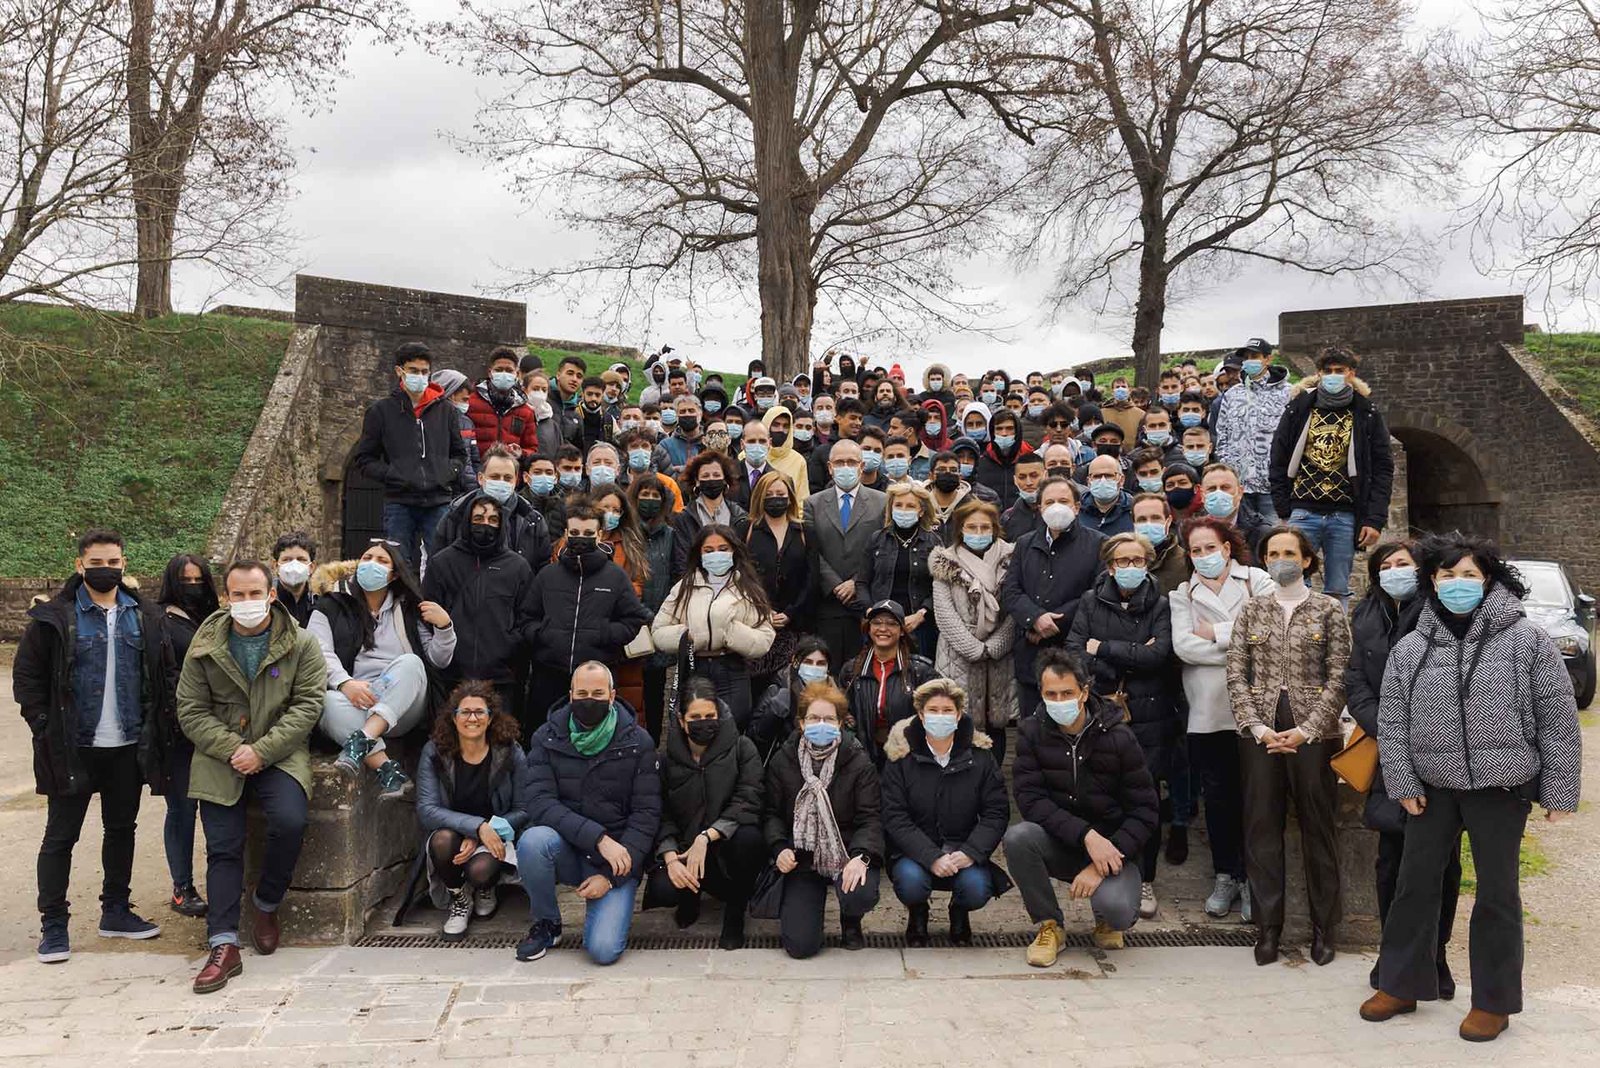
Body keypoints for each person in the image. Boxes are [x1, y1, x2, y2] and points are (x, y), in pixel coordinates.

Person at [1362, 533, 1581, 1042]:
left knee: (1497, 893)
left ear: (1489, 580)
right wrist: (1401, 779)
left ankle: (1494, 1001)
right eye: (1445, 575)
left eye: (1468, 575)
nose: (1456, 584)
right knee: (1414, 885)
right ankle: (1400, 983)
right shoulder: (1413, 646)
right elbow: (1393, 720)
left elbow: (1557, 716)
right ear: (1431, 583)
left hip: (1499, 788)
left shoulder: (1526, 639)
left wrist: (1559, 789)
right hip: (1431, 789)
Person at [18, 530, 169, 964]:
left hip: (126, 744)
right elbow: (28, 678)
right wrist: (43, 725)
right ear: (80, 565)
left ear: (125, 564)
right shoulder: (56, 618)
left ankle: (116, 911)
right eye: (97, 562)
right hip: (72, 745)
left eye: (114, 562)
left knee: (122, 830)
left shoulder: (144, 615)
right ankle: (53, 925)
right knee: (60, 836)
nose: (107, 569)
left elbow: (160, 673)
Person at [176, 560, 325, 993]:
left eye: (254, 593)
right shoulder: (203, 645)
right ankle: (223, 946)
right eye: (237, 595)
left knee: (291, 821)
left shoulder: (301, 643)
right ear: (225, 598)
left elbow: (307, 706)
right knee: (223, 847)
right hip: (220, 754)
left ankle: (266, 902)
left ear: (271, 593)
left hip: (279, 752)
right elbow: (191, 709)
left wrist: (261, 751)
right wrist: (231, 749)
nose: (246, 602)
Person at [1225, 525, 1350, 968]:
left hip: (1313, 733)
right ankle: (1268, 928)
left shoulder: (1328, 609)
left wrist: (1309, 728)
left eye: (1289, 552)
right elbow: (1236, 673)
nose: (1281, 559)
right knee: (1261, 827)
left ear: (1308, 560)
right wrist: (1256, 727)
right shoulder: (1251, 611)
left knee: (1319, 827)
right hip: (1259, 732)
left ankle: (1324, 927)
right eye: (1273, 552)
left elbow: (1339, 675)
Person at [1344, 540, 1459, 996]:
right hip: (1388, 754)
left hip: (1437, 752)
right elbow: (1355, 680)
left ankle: (1437, 955)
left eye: (1403, 564)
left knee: (1441, 864)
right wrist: (1387, 728)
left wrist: (1416, 730)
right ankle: (1393, 955)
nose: (1394, 571)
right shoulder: (1367, 614)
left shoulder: (1440, 612)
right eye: (1385, 565)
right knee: (1390, 863)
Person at [1005, 650, 1157, 965]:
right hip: (1063, 842)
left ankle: (1105, 917)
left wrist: (1104, 858)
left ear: (1085, 692)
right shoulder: (1032, 733)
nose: (1059, 700)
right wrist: (1086, 836)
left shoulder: (1119, 737)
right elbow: (1031, 800)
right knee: (1018, 838)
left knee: (1118, 913)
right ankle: (1050, 925)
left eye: (1067, 693)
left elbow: (1145, 811)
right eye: (1051, 694)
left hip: (1115, 851)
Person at [1064, 532, 1177, 921]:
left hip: (1150, 715)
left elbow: (1159, 654)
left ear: (1147, 564)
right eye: (1122, 561)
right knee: (1103, 793)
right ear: (1110, 566)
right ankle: (1105, 868)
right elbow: (1076, 653)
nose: (1130, 568)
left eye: (1137, 560)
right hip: (1102, 710)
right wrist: (1130, 655)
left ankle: (1145, 877)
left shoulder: (1160, 604)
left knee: (1145, 796)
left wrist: (1105, 647)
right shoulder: (1090, 602)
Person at [516, 662, 661, 965]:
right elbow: (540, 802)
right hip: (570, 848)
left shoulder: (638, 742)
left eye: (597, 693)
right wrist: (598, 839)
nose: (589, 700)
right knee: (532, 841)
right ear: (570, 696)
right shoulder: (546, 737)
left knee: (604, 950)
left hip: (617, 860)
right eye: (582, 693)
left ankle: (607, 901)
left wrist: (609, 877)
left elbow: (646, 815)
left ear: (612, 696)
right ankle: (547, 923)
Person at [1169, 516, 1273, 922]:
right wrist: (1240, 643)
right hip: (1208, 711)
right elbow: (1184, 647)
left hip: (1254, 711)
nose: (1203, 556)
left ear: (1227, 548)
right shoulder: (1182, 593)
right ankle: (1225, 874)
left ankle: (1251, 879)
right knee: (1218, 800)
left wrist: (1214, 633)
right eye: (1195, 551)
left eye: (1210, 548)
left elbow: (1270, 633)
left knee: (1254, 799)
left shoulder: (1257, 582)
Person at [309, 540, 456, 797]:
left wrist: (445, 628)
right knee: (325, 701)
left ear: (394, 573)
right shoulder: (330, 605)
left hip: (402, 703)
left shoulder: (410, 608)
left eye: (381, 561)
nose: (371, 565)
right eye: (367, 558)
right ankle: (387, 769)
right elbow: (318, 652)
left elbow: (438, 660)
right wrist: (346, 684)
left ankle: (362, 740)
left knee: (411, 663)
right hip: (356, 697)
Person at [881, 679, 1012, 946]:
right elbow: (895, 817)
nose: (940, 716)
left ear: (959, 715)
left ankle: (959, 911)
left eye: (947, 710)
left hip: (963, 849)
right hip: (914, 854)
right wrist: (930, 857)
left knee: (976, 889)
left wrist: (971, 852)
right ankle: (918, 913)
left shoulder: (981, 758)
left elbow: (996, 813)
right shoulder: (901, 758)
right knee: (910, 882)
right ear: (920, 714)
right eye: (933, 710)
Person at [644, 676, 766, 950]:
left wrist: (708, 837)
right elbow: (659, 811)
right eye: (695, 717)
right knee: (664, 888)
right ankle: (689, 896)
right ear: (681, 719)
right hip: (684, 848)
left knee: (750, 840)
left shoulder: (741, 748)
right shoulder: (665, 760)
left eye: (710, 715)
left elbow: (750, 797)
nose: (704, 722)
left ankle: (734, 914)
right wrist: (670, 854)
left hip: (725, 842)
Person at [764, 681, 883, 958]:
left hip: (845, 853)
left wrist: (861, 856)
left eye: (829, 719)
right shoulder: (784, 760)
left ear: (841, 723)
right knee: (800, 947)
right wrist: (778, 847)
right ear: (802, 723)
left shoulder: (858, 761)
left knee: (859, 892)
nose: (821, 724)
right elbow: (770, 813)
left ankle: (851, 919)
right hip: (802, 858)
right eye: (814, 718)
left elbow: (871, 818)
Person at [1269, 347, 1395, 604]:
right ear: (1319, 373)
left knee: (1338, 587)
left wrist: (1375, 519)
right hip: (1303, 509)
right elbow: (1279, 458)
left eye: (1340, 371)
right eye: (1328, 371)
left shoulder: (1366, 412)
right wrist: (1283, 508)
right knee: (1291, 581)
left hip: (1345, 513)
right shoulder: (1299, 407)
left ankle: (1335, 640)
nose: (1334, 376)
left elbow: (1383, 467)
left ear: (1351, 374)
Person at [524, 500, 654, 727]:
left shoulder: (615, 576)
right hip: (549, 676)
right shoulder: (548, 575)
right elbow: (527, 617)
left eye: (587, 532)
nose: (580, 537)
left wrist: (604, 634)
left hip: (596, 681)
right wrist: (543, 636)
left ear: (600, 534)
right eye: (574, 532)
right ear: (565, 533)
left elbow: (633, 618)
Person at [416, 681, 528, 941]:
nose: (472, 718)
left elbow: (525, 808)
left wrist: (484, 832)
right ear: (453, 718)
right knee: (443, 840)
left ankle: (486, 888)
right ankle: (458, 896)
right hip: (453, 833)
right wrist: (476, 827)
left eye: (480, 712)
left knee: (480, 872)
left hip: (496, 832)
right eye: (465, 712)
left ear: (490, 718)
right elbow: (426, 809)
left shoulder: (510, 752)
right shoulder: (435, 752)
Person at [352, 342, 468, 568]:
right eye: (414, 371)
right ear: (400, 371)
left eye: (425, 372)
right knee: (396, 563)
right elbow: (364, 459)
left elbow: (460, 455)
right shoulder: (380, 411)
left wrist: (445, 474)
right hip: (399, 502)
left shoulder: (446, 411)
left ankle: (437, 603)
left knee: (442, 562)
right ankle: (400, 604)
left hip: (438, 500)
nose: (420, 376)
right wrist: (395, 475)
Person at [424, 493, 540, 713]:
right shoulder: (442, 562)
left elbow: (528, 617)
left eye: (493, 520)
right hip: (452, 677)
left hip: (501, 678)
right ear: (467, 520)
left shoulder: (518, 567)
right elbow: (428, 612)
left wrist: (508, 647)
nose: (485, 524)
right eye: (478, 518)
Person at [651, 525, 776, 729]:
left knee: (731, 730)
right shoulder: (685, 587)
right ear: (699, 554)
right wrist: (689, 635)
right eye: (708, 550)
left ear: (734, 551)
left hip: (732, 669)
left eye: (723, 548)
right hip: (694, 668)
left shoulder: (748, 589)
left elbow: (765, 638)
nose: (716, 554)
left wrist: (727, 631)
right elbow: (659, 631)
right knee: (695, 730)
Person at [1002, 477, 1106, 715]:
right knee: (1032, 727)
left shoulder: (1098, 543)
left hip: (1075, 653)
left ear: (1077, 507)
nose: (1056, 506)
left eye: (1063, 501)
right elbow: (1011, 590)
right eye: (1049, 501)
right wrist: (1035, 618)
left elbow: (1097, 594)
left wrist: (1055, 622)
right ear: (1040, 508)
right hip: (1031, 654)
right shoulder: (1025, 543)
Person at [930, 500, 1018, 767]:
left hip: (999, 656)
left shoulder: (1011, 559)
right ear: (960, 529)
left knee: (996, 726)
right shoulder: (946, 561)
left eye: (985, 527)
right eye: (972, 527)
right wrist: (973, 648)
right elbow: (944, 613)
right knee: (960, 722)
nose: (978, 532)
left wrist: (996, 645)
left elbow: (1015, 605)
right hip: (957, 657)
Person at [156, 553, 220, 918]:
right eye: (186, 581)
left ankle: (221, 883)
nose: (193, 587)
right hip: (178, 731)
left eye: (199, 580)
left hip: (215, 727)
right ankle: (182, 887)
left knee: (216, 808)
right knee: (181, 809)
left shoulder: (212, 616)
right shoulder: (161, 620)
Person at [804, 438, 887, 674]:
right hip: (826, 603)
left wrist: (855, 581)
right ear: (830, 468)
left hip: (863, 601)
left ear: (862, 466)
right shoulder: (813, 503)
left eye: (851, 462)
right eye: (840, 462)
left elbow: (881, 548)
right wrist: (835, 583)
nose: (846, 467)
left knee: (861, 672)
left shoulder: (882, 502)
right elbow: (812, 551)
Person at [839, 600, 940, 767]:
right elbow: (843, 712)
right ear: (869, 628)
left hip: (909, 757)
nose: (883, 629)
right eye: (877, 623)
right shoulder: (852, 670)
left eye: (891, 623)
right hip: (864, 757)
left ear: (902, 631)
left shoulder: (920, 671)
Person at [435, 445, 554, 576]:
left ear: (516, 481)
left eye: (507, 478)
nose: (501, 482)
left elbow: (543, 570)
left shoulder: (532, 520)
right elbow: (437, 566)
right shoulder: (456, 515)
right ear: (481, 478)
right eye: (495, 477)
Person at [744, 471, 813, 688]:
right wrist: (763, 611)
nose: (775, 498)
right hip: (755, 623)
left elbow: (812, 578)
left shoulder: (804, 531)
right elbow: (742, 576)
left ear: (790, 497)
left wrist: (791, 613)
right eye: (770, 493)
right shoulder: (745, 530)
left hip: (795, 624)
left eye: (780, 493)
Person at [859, 483, 940, 660]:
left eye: (910, 506)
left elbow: (940, 589)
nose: (904, 510)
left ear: (921, 511)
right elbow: (862, 582)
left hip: (918, 626)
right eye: (899, 505)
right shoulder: (877, 539)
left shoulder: (933, 542)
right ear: (891, 508)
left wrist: (921, 615)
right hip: (880, 624)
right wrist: (871, 612)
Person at [1212, 340, 1291, 518]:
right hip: (1240, 487)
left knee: (1272, 540)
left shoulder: (1288, 393)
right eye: (1246, 357)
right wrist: (1229, 469)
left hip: (1272, 488)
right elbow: (1222, 435)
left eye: (1254, 356)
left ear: (1267, 359)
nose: (1249, 361)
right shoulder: (1232, 395)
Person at [630, 475, 679, 741]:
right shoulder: (627, 533)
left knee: (654, 690)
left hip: (659, 621)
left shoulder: (671, 536)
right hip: (629, 622)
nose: (649, 500)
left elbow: (676, 576)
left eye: (655, 495)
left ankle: (652, 744)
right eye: (644, 494)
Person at [671, 451, 750, 580]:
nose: (711, 479)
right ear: (697, 481)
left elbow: (744, 559)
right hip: (695, 586)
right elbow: (681, 561)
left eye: (716, 475)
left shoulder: (740, 517)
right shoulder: (684, 518)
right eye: (705, 475)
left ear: (725, 479)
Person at [466, 345, 543, 457]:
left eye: (509, 370)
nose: (504, 374)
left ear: (516, 374)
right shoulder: (471, 402)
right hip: (478, 470)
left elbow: (532, 449)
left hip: (510, 471)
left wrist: (521, 453)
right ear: (490, 373)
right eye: (498, 370)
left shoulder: (526, 410)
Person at [1199, 463, 1272, 563]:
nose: (1218, 493)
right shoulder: (1192, 531)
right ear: (1202, 495)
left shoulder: (1261, 532)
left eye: (1225, 487)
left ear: (1240, 492)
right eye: (1211, 489)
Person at [1132, 493, 1187, 593]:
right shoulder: (1122, 561)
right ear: (1133, 523)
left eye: (1155, 518)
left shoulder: (1185, 562)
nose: (1149, 524)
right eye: (1142, 520)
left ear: (1168, 521)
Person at [761, 405, 813, 504]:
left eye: (785, 426)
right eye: (776, 425)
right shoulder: (747, 456)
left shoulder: (798, 461)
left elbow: (802, 500)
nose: (781, 430)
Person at [1081, 454, 1135, 536]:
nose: (1103, 480)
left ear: (1121, 480)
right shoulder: (1077, 511)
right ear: (1089, 481)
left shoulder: (1133, 509)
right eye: (1097, 476)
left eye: (1109, 476)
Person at [271, 532, 318, 627]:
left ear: (311, 567)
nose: (294, 565)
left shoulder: (319, 602)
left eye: (301, 559)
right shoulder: (266, 601)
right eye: (287, 559)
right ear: (276, 566)